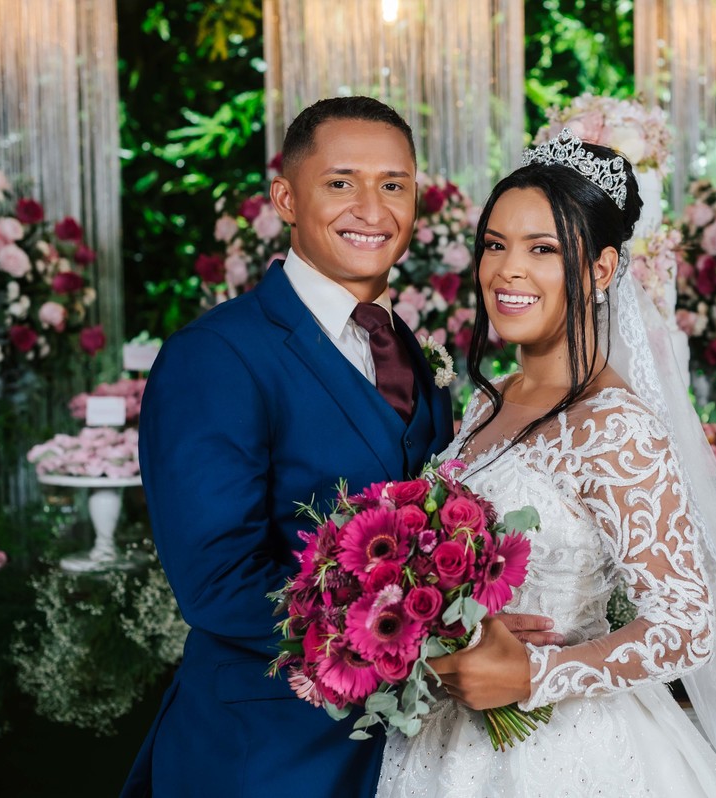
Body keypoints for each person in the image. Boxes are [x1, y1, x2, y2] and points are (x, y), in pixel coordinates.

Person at [377, 131, 716, 797]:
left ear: (601, 269)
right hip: (439, 741)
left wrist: (535, 674)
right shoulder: (485, 400)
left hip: (561, 751)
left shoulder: (614, 426)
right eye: (495, 245)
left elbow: (686, 627)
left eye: (542, 249)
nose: (507, 271)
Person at [121, 97, 559, 798]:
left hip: (414, 754)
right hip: (268, 752)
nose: (372, 209)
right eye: (340, 182)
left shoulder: (409, 351)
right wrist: (431, 640)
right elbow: (218, 583)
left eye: (394, 185)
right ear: (286, 199)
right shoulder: (215, 355)